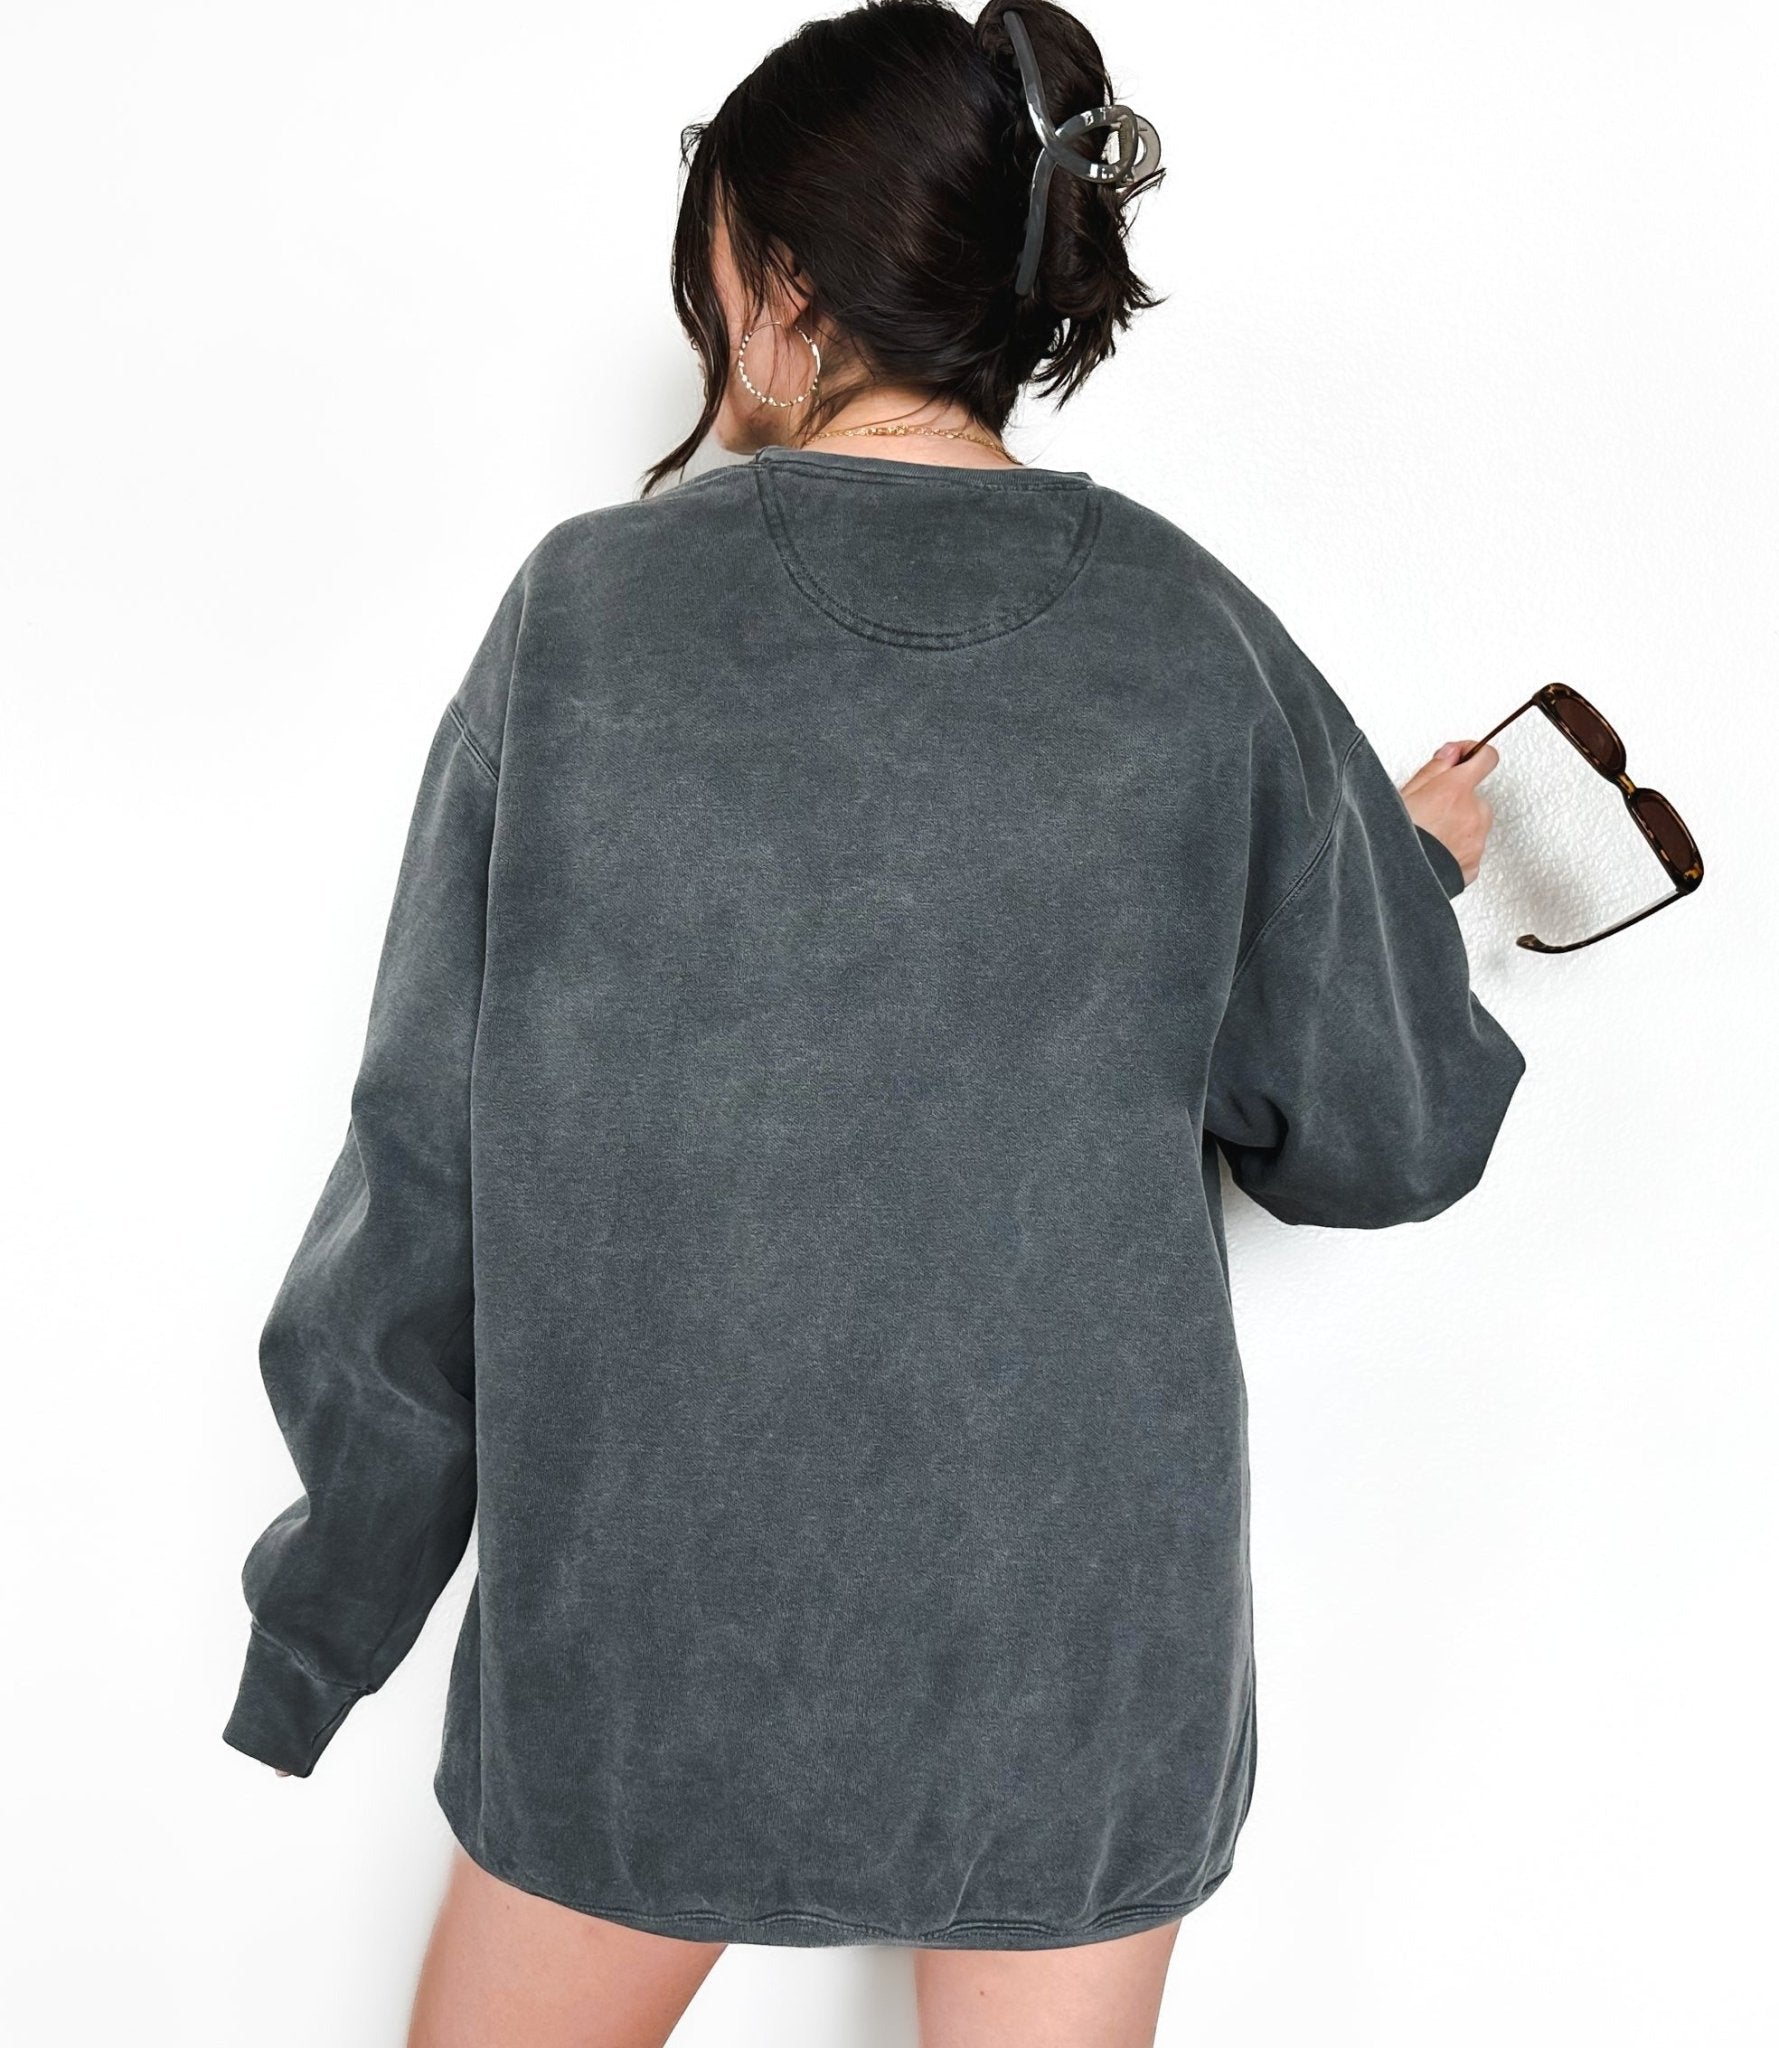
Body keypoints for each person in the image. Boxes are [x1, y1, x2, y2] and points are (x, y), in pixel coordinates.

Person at [220, 4, 1524, 2043]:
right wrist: (1393, 880)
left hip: (645, 1653)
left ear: (780, 282)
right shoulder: (1189, 630)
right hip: (1072, 1670)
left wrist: (323, 1622)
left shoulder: (586, 618)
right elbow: (1380, 1131)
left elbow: (423, 1175)